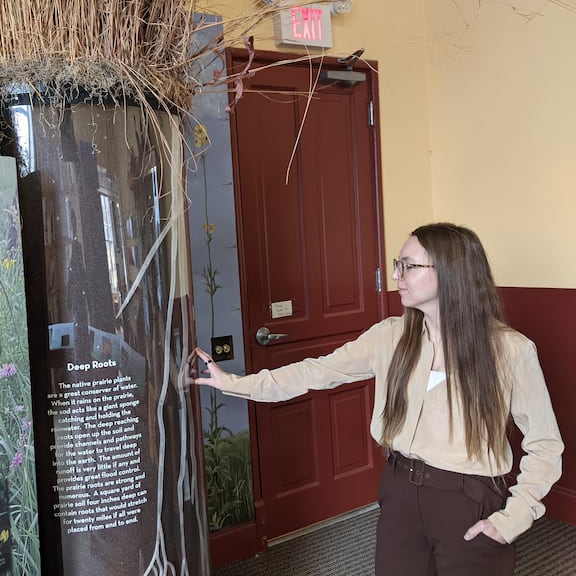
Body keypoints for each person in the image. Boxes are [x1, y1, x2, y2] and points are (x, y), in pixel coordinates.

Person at [193, 222, 563, 576]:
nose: (396, 275)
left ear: (452, 272)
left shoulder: (509, 350)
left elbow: (545, 445)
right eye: (397, 265)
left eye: (408, 266)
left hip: (470, 498)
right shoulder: (389, 336)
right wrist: (230, 382)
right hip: (400, 490)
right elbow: (315, 372)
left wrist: (514, 517)